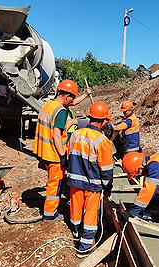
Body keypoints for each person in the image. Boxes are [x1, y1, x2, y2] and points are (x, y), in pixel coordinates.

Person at [32, 80, 92, 221]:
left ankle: (51, 208)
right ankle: (50, 213)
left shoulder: (49, 105)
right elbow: (56, 134)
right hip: (54, 154)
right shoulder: (62, 111)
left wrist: (85, 95)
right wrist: (63, 154)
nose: (72, 101)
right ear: (66, 96)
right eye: (71, 98)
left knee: (53, 181)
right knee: (55, 184)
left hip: (43, 151)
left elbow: (73, 103)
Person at [67, 101, 115, 256]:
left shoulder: (75, 134)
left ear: (90, 117)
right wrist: (107, 187)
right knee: (91, 215)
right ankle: (85, 246)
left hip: (74, 181)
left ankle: (75, 232)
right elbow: (107, 170)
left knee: (75, 209)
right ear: (104, 121)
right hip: (92, 185)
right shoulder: (102, 141)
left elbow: (67, 156)